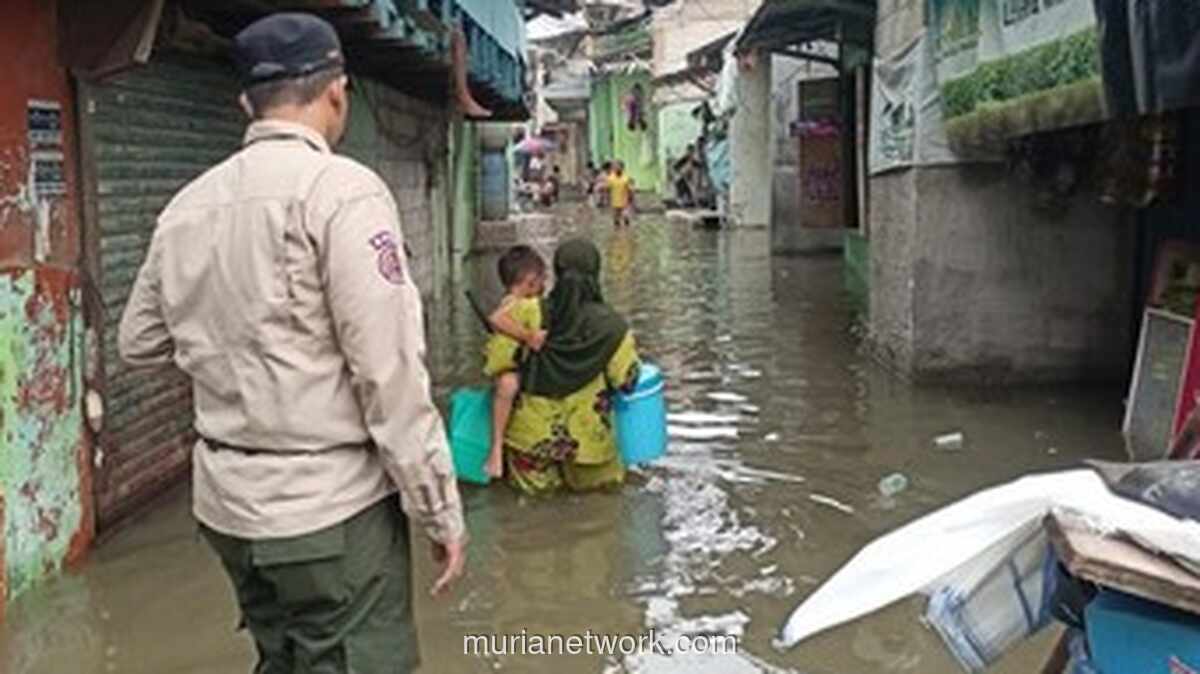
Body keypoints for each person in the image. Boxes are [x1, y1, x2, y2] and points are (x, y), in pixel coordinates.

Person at [116, 13, 466, 673]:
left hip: (226, 510)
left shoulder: (188, 205)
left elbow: (138, 341)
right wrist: (440, 511)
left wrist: (230, 347)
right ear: (338, 90)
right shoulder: (343, 193)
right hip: (329, 513)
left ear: (244, 102)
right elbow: (388, 375)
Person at [483, 239, 642, 495]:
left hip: (531, 439)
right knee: (601, 503)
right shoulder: (614, 326)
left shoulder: (527, 310)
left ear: (556, 272)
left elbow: (496, 362)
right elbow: (627, 382)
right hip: (589, 443)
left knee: (532, 512)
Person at [485, 246, 549, 478]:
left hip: (528, 366)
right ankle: (496, 448)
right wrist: (528, 336)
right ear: (530, 281)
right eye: (540, 279)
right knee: (508, 385)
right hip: (511, 370)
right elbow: (496, 319)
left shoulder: (532, 303)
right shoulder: (513, 302)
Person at [606, 161, 635, 227]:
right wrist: (607, 200)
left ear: (622, 168)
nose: (616, 168)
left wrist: (631, 199)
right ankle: (617, 231)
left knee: (626, 216)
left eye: (618, 167)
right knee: (616, 219)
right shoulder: (610, 178)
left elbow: (630, 189)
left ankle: (627, 232)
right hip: (614, 202)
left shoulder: (626, 178)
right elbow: (607, 190)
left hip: (625, 201)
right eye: (615, 167)